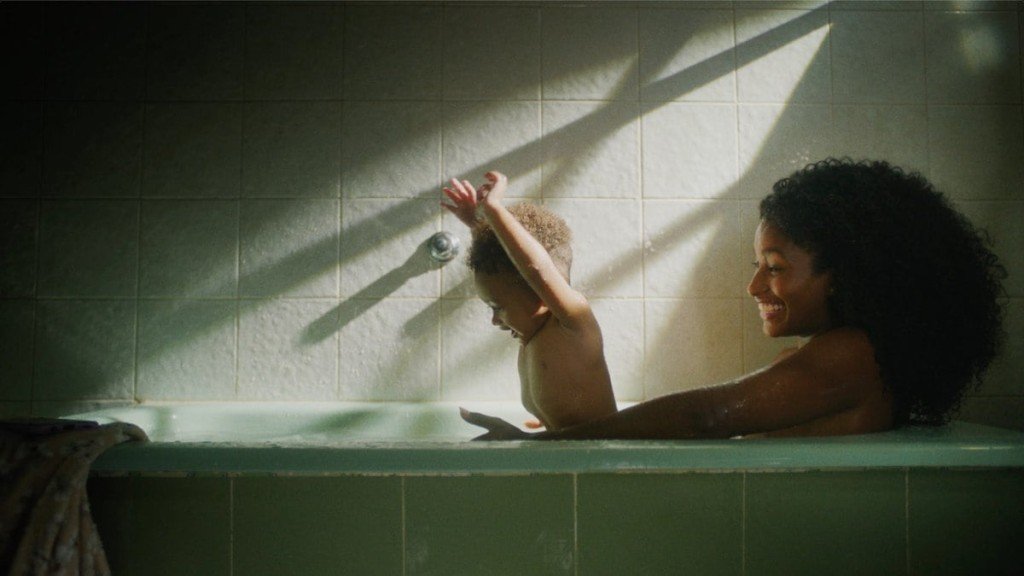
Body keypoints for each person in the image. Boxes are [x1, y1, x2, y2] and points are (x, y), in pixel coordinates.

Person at [461, 158, 1006, 440]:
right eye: (757, 267)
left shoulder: (852, 354)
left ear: (846, 276)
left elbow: (710, 416)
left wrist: (564, 445)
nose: (753, 287)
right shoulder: (851, 356)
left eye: (775, 268)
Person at [442, 171, 618, 430]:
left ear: (539, 292)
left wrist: (493, 209)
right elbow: (509, 261)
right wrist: (478, 226)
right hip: (571, 454)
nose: (494, 320)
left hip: (605, 454)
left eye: (497, 307)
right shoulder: (533, 337)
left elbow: (535, 267)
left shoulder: (573, 323)